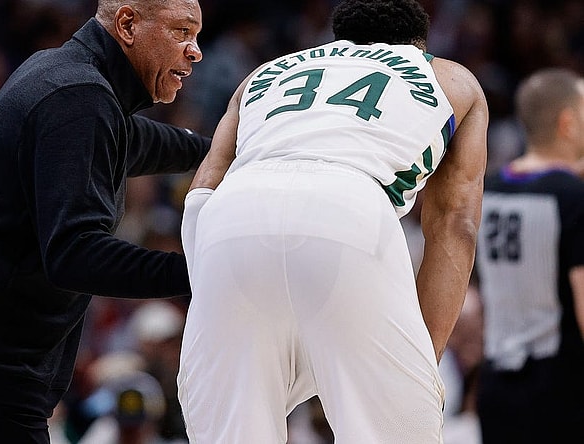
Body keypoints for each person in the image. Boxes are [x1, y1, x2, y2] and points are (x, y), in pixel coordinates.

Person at [0, 0, 208, 442]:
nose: (195, 50)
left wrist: (223, 152)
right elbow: (76, 254)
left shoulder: (70, 77)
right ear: (127, 25)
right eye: (182, 32)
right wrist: (203, 269)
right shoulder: (80, 97)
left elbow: (134, 141)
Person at [178, 0, 489, 442]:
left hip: (232, 214)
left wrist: (211, 289)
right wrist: (421, 361)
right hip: (351, 206)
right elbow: (454, 224)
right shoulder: (451, 77)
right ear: (420, 43)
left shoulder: (265, 72)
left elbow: (203, 190)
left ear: (337, 40)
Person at [474, 68, 584, 444]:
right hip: (560, 390)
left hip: (494, 383)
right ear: (567, 123)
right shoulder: (572, 198)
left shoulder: (489, 191)